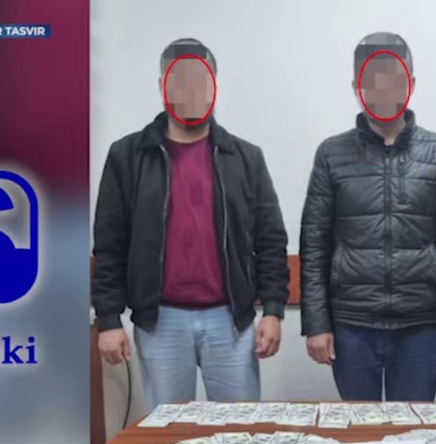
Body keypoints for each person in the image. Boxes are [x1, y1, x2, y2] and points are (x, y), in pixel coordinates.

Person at [93, 38, 289, 407]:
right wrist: (108, 319)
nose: (189, 91)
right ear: (162, 87)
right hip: (160, 321)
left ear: (214, 86)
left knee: (238, 430)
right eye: (178, 81)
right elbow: (109, 245)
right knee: (168, 431)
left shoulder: (245, 157)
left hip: (230, 321)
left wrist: (274, 311)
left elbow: (270, 239)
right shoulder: (127, 157)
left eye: (199, 81)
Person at [299, 32, 436, 401]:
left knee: (413, 426)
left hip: (417, 326)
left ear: (411, 83)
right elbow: (314, 246)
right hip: (351, 325)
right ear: (356, 88)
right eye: (371, 81)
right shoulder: (331, 154)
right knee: (359, 428)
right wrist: (316, 324)